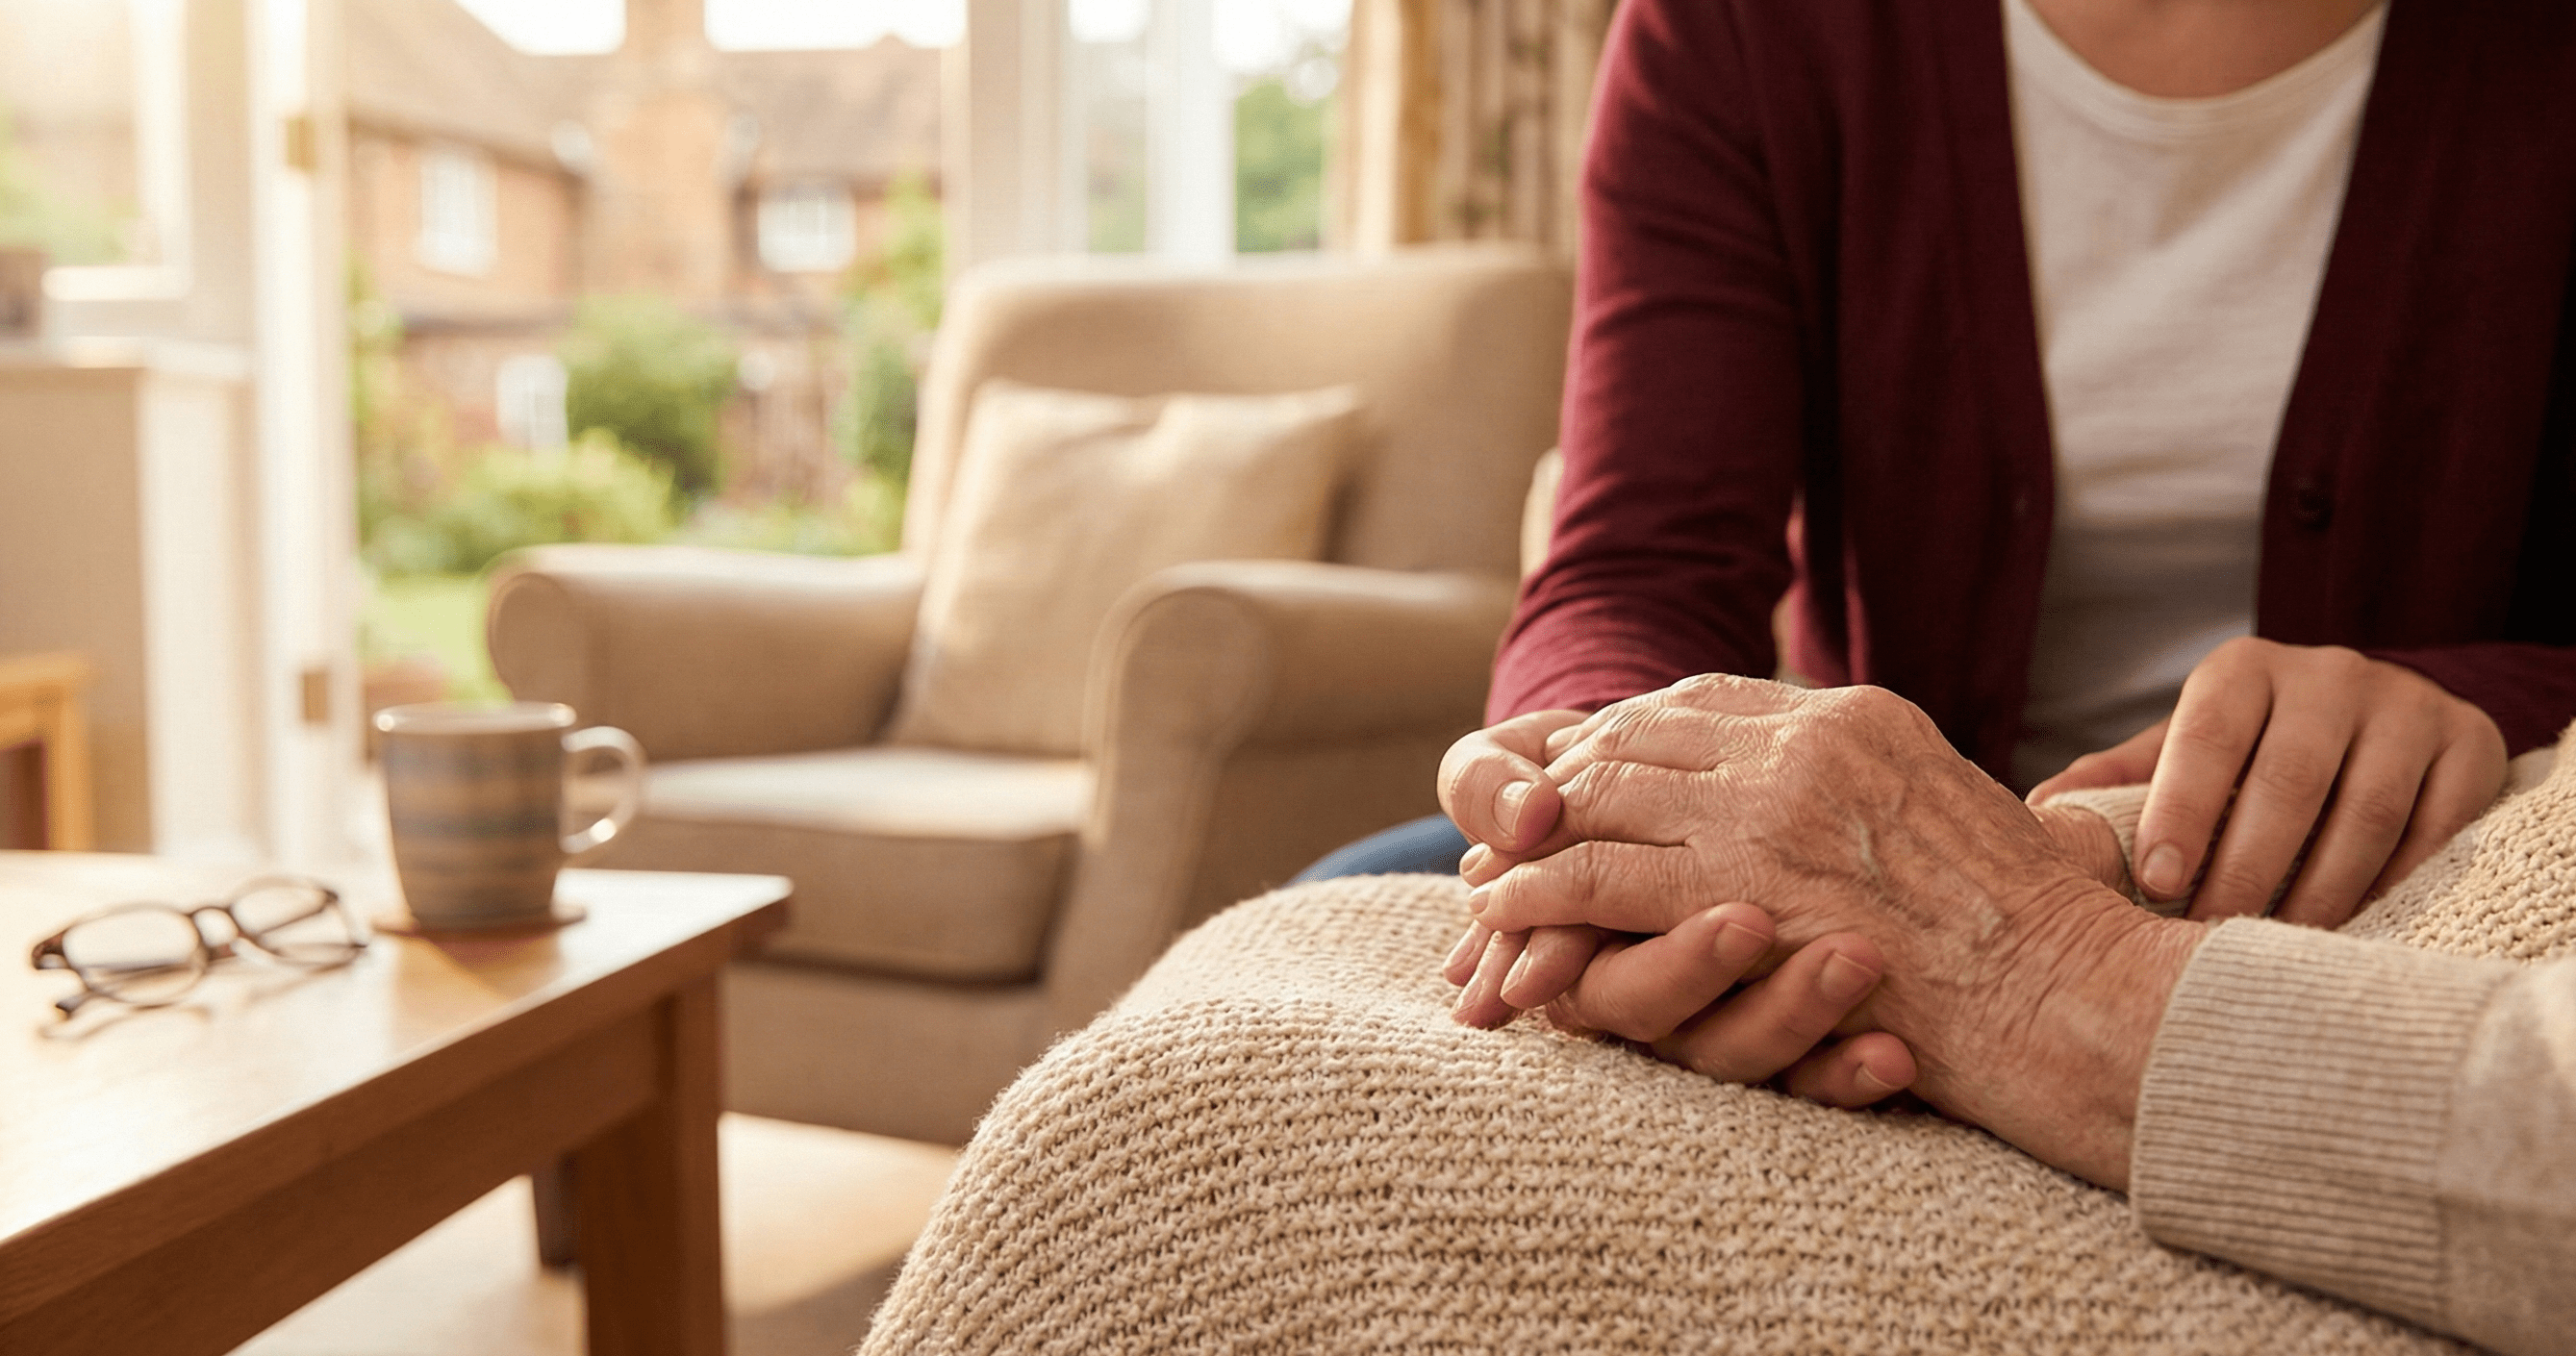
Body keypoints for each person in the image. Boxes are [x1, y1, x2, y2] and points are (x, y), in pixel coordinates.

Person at [1423, 0, 2576, 1047]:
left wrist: (2469, 701)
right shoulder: (1738, 29)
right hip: (1833, 870)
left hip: (2425, 848)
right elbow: (1636, 566)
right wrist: (1601, 787)